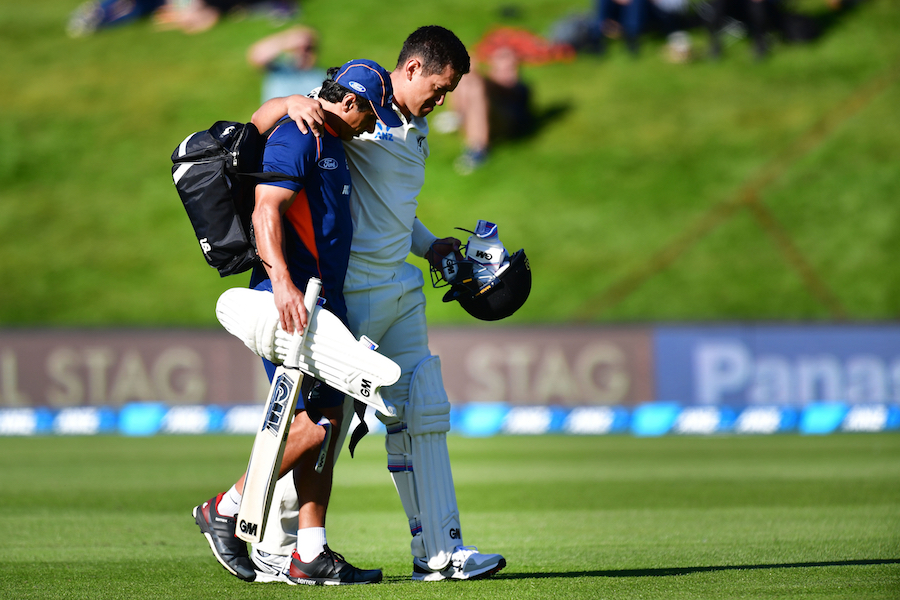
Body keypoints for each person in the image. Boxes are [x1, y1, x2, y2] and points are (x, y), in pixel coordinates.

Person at [245, 25, 508, 583]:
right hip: (349, 291)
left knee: (424, 410)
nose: (441, 101)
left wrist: (430, 244)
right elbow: (264, 129)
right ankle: (275, 543)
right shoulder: (354, 108)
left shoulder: (417, 125)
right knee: (320, 422)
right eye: (438, 87)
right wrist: (289, 101)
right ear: (411, 69)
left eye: (449, 93)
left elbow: (394, 211)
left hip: (401, 287)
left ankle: (440, 554)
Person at [191, 59, 402, 586]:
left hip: (325, 302)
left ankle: (311, 551)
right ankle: (227, 507)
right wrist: (281, 281)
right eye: (372, 113)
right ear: (349, 101)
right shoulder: (301, 134)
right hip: (293, 302)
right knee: (315, 425)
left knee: (330, 422)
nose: (374, 125)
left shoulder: (330, 136)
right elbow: (268, 209)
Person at [442, 44, 534, 175]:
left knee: (475, 86)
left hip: (507, 124)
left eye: (511, 63)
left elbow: (505, 89)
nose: (508, 66)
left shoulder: (519, 87)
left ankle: (478, 149)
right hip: (484, 116)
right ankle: (457, 118)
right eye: (502, 59)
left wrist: (478, 76)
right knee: (466, 79)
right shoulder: (487, 82)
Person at [247, 26, 327, 103]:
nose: (303, 53)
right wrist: (284, 41)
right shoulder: (279, 70)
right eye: (297, 48)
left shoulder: (321, 76)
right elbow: (258, 57)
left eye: (308, 48)